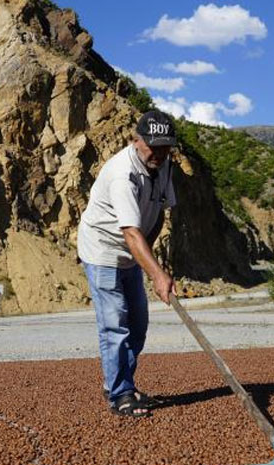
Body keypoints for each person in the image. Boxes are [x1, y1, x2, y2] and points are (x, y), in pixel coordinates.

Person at [78, 110, 177, 417]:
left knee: (138, 326)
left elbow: (159, 212)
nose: (159, 153)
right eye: (153, 147)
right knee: (114, 324)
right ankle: (120, 393)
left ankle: (119, 382)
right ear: (137, 141)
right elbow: (131, 232)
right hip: (103, 251)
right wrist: (158, 274)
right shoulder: (123, 173)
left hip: (132, 252)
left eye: (165, 147)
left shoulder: (163, 166)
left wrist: (149, 257)